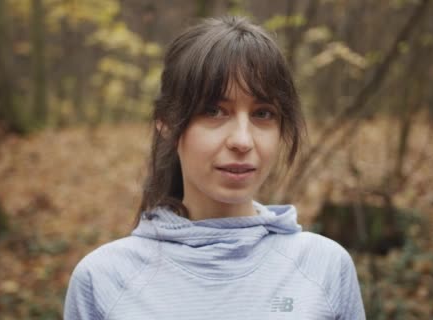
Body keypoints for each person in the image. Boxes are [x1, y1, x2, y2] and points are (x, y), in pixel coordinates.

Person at [64, 16, 365, 320]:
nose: (242, 140)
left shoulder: (324, 267)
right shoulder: (103, 279)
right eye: (214, 111)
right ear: (166, 123)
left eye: (263, 113)